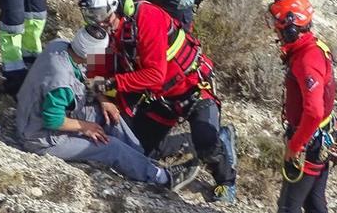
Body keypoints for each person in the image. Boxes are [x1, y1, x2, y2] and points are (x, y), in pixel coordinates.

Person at [79, 0, 237, 202]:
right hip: (160, 99)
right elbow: (96, 70)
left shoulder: (147, 18)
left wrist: (112, 84)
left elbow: (154, 74)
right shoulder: (104, 30)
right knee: (138, 151)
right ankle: (188, 142)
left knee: (208, 145)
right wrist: (103, 98)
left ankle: (226, 180)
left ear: (115, 5)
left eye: (101, 13)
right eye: (91, 15)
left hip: (192, 88)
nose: (97, 21)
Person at [15, 25, 199, 191]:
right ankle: (163, 178)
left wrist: (103, 99)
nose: (102, 58)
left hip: (52, 113)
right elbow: (52, 119)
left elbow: (89, 76)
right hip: (41, 137)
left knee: (111, 117)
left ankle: (143, 162)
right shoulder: (61, 81)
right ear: (89, 54)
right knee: (111, 147)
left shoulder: (61, 45)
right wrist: (84, 127)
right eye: (100, 54)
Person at [266, 0, 336, 213]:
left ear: (293, 27)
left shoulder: (307, 60)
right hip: (320, 137)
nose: (276, 31)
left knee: (289, 210)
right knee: (315, 201)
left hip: (309, 141)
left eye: (280, 26)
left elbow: (313, 111)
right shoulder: (312, 47)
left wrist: (294, 147)